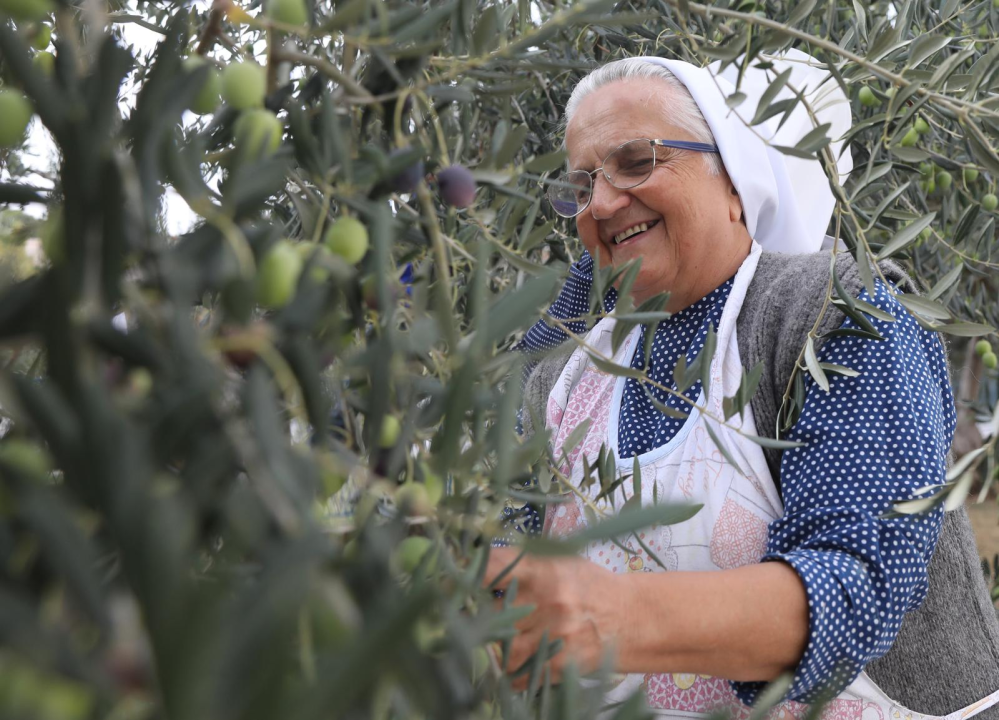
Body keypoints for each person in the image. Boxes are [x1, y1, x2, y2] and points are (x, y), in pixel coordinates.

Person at [486, 53, 999, 718]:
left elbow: (857, 581)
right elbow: (504, 537)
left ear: (732, 178)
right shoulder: (560, 375)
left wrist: (612, 615)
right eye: (580, 186)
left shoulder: (833, 315)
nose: (601, 203)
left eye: (636, 161)